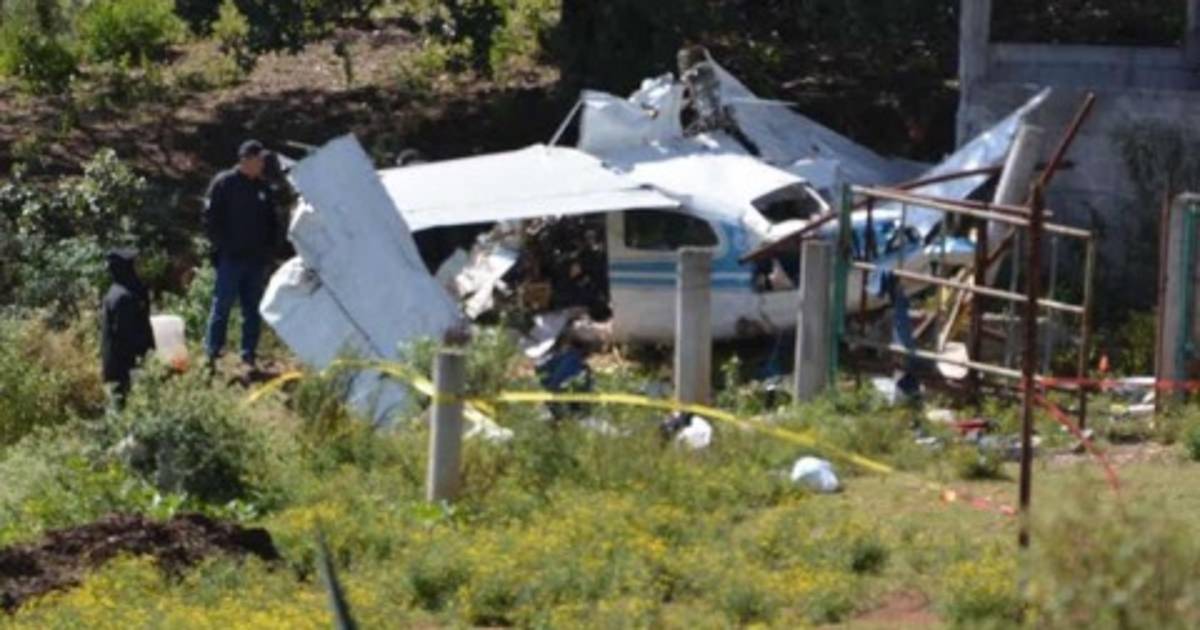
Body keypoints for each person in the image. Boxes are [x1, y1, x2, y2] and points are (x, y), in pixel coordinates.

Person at [203, 139, 279, 371]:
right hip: (231, 258)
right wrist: (222, 246)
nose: (262, 164)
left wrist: (269, 252)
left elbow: (273, 223)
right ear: (246, 159)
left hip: (255, 260)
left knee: (252, 309)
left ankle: (248, 355)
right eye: (259, 160)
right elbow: (209, 219)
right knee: (222, 306)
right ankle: (212, 352)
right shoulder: (224, 183)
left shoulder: (263, 188)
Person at [100, 248, 155, 406]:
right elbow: (128, 336)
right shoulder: (124, 297)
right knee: (125, 408)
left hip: (117, 367)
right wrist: (144, 358)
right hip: (125, 368)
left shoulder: (118, 292)